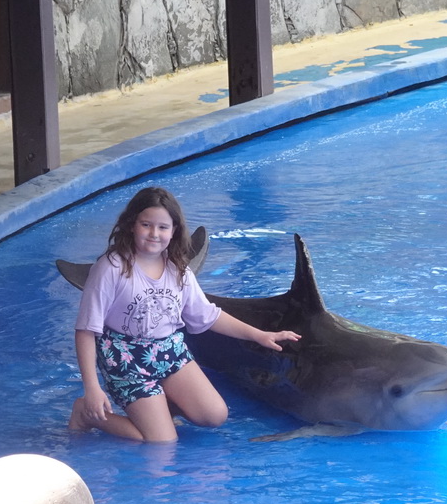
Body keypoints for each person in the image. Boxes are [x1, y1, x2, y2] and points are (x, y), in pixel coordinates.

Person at [68, 186, 301, 442]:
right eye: (146, 224)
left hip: (170, 351)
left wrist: (258, 335)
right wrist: (92, 388)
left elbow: (207, 315)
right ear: (131, 224)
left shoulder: (178, 269)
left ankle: (156, 409)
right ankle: (86, 415)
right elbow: (87, 330)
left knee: (214, 415)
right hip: (127, 360)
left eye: (163, 227)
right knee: (162, 441)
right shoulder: (111, 268)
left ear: (174, 230)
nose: (154, 234)